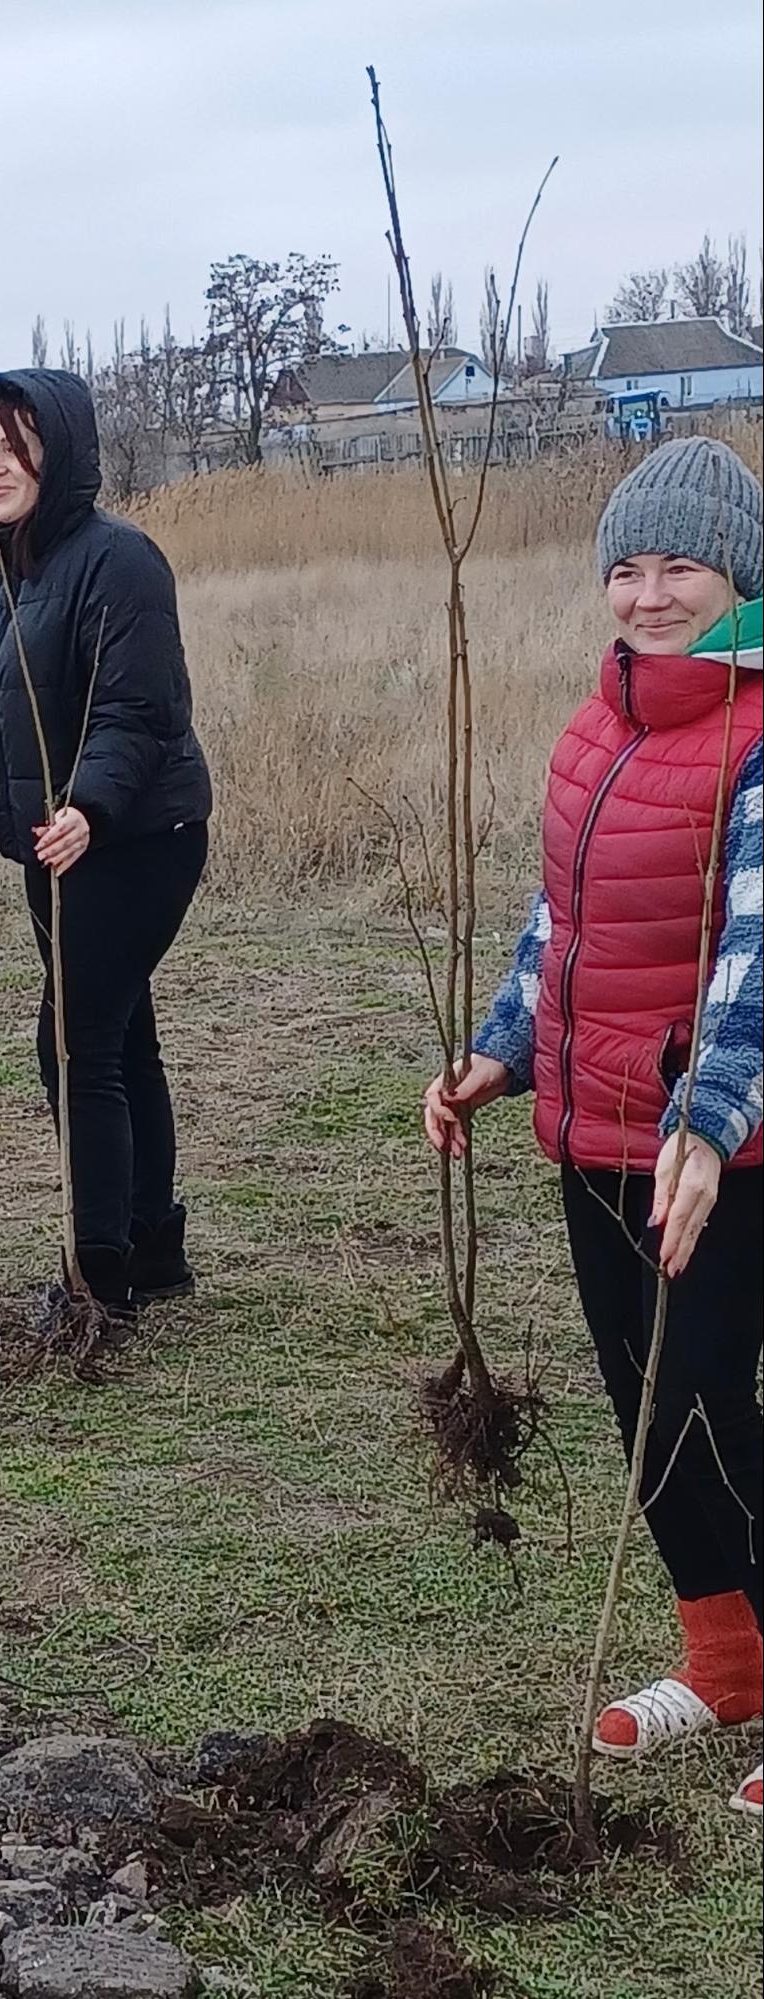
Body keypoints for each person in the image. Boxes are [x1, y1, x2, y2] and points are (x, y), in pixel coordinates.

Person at [422, 436, 763, 1820]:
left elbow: (758, 948)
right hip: (595, 1127)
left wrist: (709, 1114)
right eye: (623, 565)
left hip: (716, 1148)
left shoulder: (753, 733)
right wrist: (499, 1046)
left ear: (733, 576)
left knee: (700, 1408)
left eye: (674, 563)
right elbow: (559, 918)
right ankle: (722, 1658)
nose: (643, 591)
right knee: (640, 1405)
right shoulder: (600, 723)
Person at [0, 369, 212, 1323]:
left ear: (59, 449)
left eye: (15, 444)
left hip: (139, 840)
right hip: (50, 853)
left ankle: (95, 1277)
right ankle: (151, 1247)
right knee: (117, 1038)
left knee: (70, 1045)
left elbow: (136, 712)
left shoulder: (122, 562)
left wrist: (90, 809)